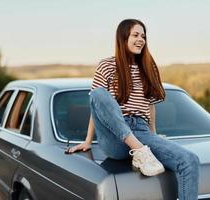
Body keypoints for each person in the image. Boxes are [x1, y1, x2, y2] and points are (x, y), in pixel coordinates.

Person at [68, 19, 200, 200]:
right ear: (123, 38)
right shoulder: (107, 65)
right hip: (113, 135)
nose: (141, 40)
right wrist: (88, 140)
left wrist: (153, 135)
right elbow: (99, 105)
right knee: (98, 93)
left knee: (190, 160)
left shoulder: (148, 67)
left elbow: (150, 104)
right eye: (136, 35)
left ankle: (141, 151)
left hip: (141, 131)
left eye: (143, 36)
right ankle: (140, 151)